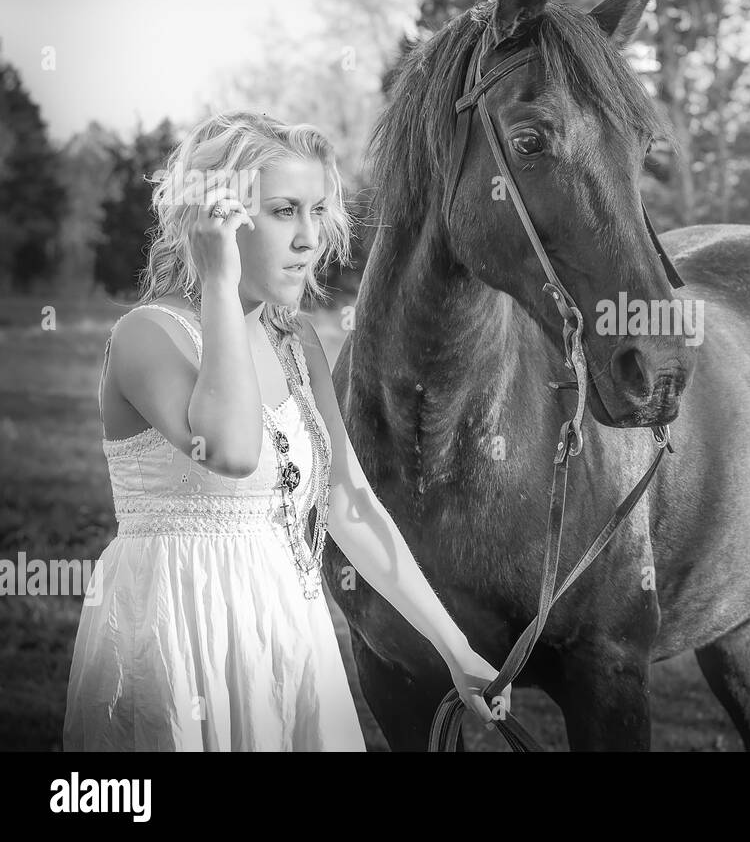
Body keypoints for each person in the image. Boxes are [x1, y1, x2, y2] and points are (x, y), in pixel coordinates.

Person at [63, 110, 509, 751]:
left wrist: (455, 648)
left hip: (287, 633)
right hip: (176, 633)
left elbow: (350, 504)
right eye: (282, 211)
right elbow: (233, 450)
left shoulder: (296, 343)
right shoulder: (147, 336)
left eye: (317, 212)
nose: (310, 238)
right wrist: (218, 281)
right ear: (214, 219)